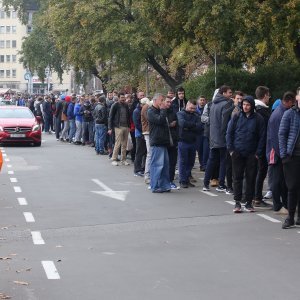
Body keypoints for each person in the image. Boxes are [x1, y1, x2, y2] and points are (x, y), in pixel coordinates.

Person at [226, 96, 265, 213]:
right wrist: (231, 150)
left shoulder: (259, 119)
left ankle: (248, 202)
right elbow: (229, 133)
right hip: (237, 152)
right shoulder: (236, 116)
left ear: (252, 105)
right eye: (243, 104)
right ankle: (237, 202)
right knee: (237, 178)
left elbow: (262, 137)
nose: (245, 107)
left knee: (251, 178)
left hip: (251, 154)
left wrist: (258, 153)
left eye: (248, 105)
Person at [267, 92, 295, 215]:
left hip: (278, 151)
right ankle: (277, 206)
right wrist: (283, 154)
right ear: (288, 101)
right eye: (293, 102)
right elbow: (277, 137)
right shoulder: (279, 114)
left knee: (282, 180)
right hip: (276, 152)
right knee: (276, 180)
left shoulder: (281, 111)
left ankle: (284, 204)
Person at [203, 85, 233, 192]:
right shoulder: (226, 104)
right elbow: (224, 122)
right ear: (223, 93)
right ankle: (221, 184)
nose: (231, 94)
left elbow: (211, 121)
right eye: (229, 92)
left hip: (213, 136)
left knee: (211, 160)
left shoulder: (213, 104)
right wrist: (226, 136)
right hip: (221, 137)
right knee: (223, 161)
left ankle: (205, 183)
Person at [279, 90, 300, 229]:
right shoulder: (289, 114)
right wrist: (284, 155)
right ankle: (290, 217)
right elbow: (282, 134)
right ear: (297, 98)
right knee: (292, 187)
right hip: (292, 156)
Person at [147, 93, 171, 193]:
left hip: (163, 141)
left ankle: (164, 185)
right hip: (157, 141)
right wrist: (163, 109)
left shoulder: (159, 111)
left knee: (165, 165)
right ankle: (155, 186)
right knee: (157, 165)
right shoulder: (151, 111)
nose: (163, 102)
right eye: (161, 100)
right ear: (155, 100)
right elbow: (160, 120)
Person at [177, 100, 202, 188]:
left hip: (193, 141)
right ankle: (182, 180)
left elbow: (200, 126)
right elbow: (182, 124)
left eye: (194, 109)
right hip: (183, 141)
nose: (192, 110)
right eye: (191, 108)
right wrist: (193, 125)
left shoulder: (196, 115)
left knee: (191, 162)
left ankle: (187, 179)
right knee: (183, 161)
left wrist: (189, 127)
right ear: (187, 105)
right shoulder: (180, 114)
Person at [253, 86, 271, 207]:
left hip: (254, 146)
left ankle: (254, 196)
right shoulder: (262, 111)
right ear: (264, 95)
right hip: (261, 146)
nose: (269, 98)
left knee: (255, 171)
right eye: (268, 95)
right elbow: (264, 131)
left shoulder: (255, 108)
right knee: (261, 171)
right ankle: (257, 197)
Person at [108, 92, 131, 166]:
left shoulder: (126, 105)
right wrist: (110, 128)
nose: (123, 99)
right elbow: (110, 117)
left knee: (124, 144)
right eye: (121, 97)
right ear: (118, 98)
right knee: (118, 143)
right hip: (118, 126)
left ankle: (123, 159)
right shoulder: (115, 105)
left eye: (123, 97)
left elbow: (128, 116)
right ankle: (114, 159)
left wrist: (129, 126)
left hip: (126, 126)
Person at [165, 96, 179, 189]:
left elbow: (177, 123)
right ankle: (163, 180)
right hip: (163, 140)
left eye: (170, 102)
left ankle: (170, 180)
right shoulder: (160, 111)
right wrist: (169, 125)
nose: (169, 104)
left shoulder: (173, 112)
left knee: (172, 162)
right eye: (167, 102)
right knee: (163, 162)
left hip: (173, 140)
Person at [133, 98, 147, 176]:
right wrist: (143, 131)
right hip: (139, 135)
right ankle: (137, 169)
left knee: (144, 152)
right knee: (139, 152)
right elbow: (137, 124)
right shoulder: (136, 111)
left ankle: (142, 168)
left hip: (144, 134)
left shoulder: (143, 110)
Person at [141, 98, 152, 184]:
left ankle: (149, 174)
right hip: (147, 132)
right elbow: (149, 119)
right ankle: (147, 175)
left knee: (151, 154)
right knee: (150, 154)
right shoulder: (146, 108)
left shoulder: (146, 107)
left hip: (149, 131)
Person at [196, 96, 208, 171]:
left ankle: (205, 164)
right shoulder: (195, 110)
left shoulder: (207, 109)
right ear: (198, 101)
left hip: (206, 132)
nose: (202, 101)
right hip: (198, 133)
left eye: (203, 100)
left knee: (206, 149)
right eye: (201, 100)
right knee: (200, 149)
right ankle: (201, 164)